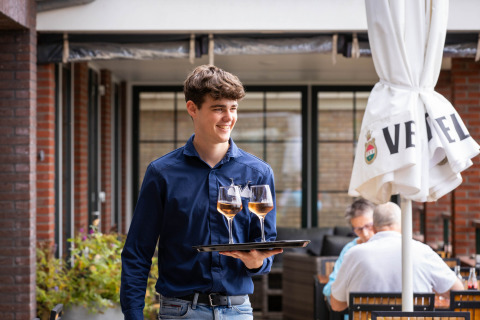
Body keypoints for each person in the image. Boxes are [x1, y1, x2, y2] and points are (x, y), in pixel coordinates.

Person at [120, 65, 282, 320]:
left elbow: (265, 244)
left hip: (237, 311)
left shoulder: (258, 174)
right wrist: (133, 315)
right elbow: (137, 252)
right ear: (192, 108)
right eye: (218, 108)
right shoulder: (162, 173)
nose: (229, 117)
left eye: (233, 108)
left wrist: (257, 262)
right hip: (180, 312)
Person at [330, 202, 464, 312]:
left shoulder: (353, 254)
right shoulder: (422, 251)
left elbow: (336, 305)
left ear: (374, 228)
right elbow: (458, 292)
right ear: (404, 224)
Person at [323, 198, 375, 300]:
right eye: (358, 229)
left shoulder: (387, 245)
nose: (364, 234)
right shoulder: (350, 249)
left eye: (368, 226)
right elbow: (329, 288)